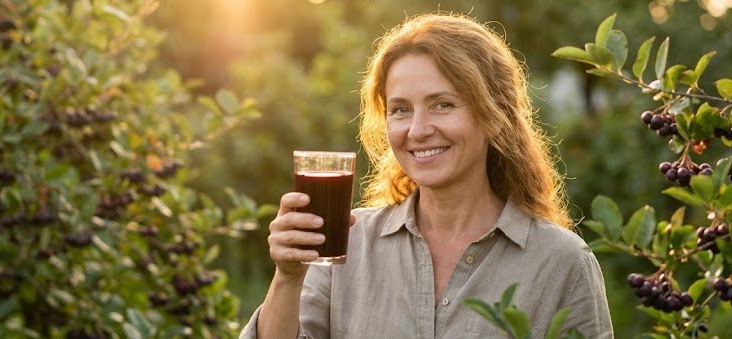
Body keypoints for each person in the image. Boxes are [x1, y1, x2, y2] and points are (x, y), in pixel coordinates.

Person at [240, 13, 613, 339]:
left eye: (442, 105)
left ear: (495, 115)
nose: (417, 130)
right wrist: (288, 278)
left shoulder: (561, 263)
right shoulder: (347, 247)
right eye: (401, 110)